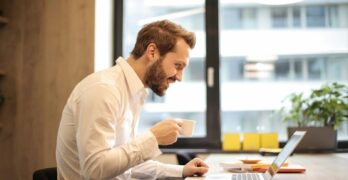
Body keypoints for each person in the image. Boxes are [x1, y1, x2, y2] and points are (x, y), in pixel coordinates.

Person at [56, 20, 209, 179]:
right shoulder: (104, 90)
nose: (179, 77)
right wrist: (153, 137)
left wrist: (181, 171)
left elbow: (124, 163)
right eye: (178, 66)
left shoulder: (134, 92)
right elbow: (95, 170)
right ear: (152, 52)